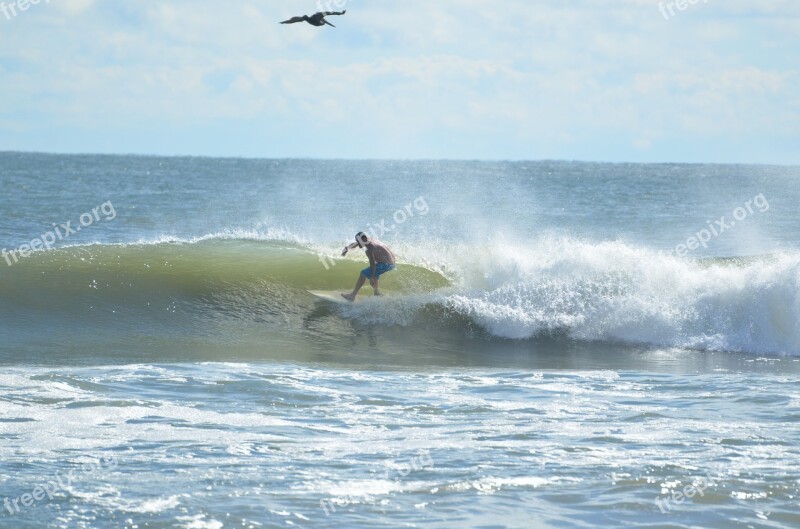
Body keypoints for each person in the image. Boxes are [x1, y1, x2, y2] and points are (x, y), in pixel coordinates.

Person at [341, 232, 396, 301]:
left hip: (386, 264)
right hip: (391, 262)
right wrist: (347, 248)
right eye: (357, 240)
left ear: (363, 239)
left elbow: (373, 265)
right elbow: (356, 244)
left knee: (363, 273)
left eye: (358, 241)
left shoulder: (369, 250)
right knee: (376, 273)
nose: (357, 243)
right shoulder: (369, 240)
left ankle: (352, 295)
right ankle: (376, 293)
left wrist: (371, 277)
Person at [280, 10, 346, 28]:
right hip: (315, 22)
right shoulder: (320, 15)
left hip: (316, 22)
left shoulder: (322, 15)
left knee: (303, 18)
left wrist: (340, 13)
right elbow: (331, 13)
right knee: (302, 18)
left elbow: (332, 13)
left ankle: (285, 22)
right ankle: (285, 22)